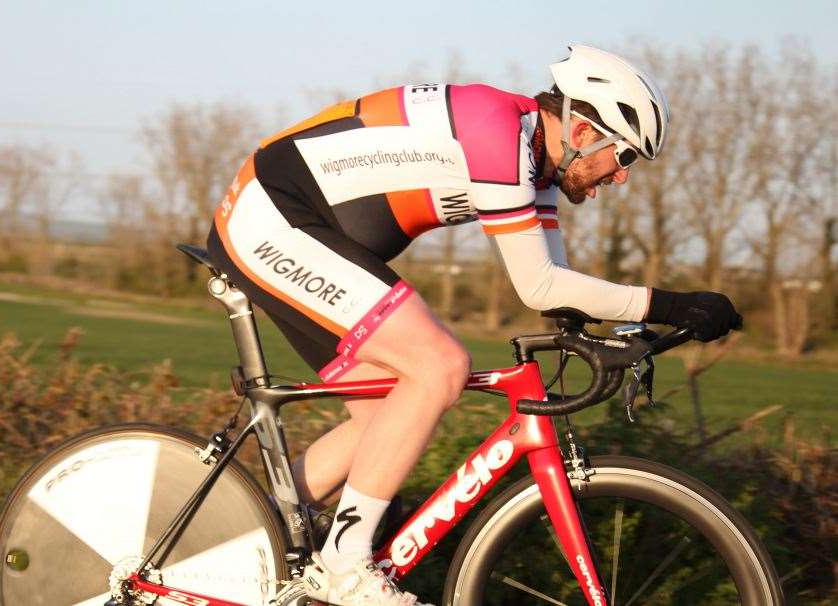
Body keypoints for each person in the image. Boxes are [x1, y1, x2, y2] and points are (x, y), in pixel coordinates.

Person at [207, 44, 741, 606]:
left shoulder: (533, 158)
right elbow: (537, 285)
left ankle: (233, 541)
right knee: (439, 366)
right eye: (626, 158)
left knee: (390, 413)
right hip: (274, 215)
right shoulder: (499, 135)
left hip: (298, 223)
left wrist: (611, 337)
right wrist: (674, 305)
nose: (622, 179)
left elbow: (556, 286)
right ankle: (343, 564)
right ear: (584, 132)